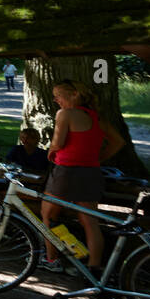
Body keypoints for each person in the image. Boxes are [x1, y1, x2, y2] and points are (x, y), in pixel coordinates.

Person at [39, 79, 125, 273]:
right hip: (91, 172)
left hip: (66, 172)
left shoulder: (65, 114)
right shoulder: (97, 117)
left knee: (48, 214)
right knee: (89, 221)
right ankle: (93, 267)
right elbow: (118, 142)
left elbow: (58, 143)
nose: (56, 100)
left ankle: (52, 260)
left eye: (59, 95)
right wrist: (98, 158)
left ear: (74, 95)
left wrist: (50, 151)